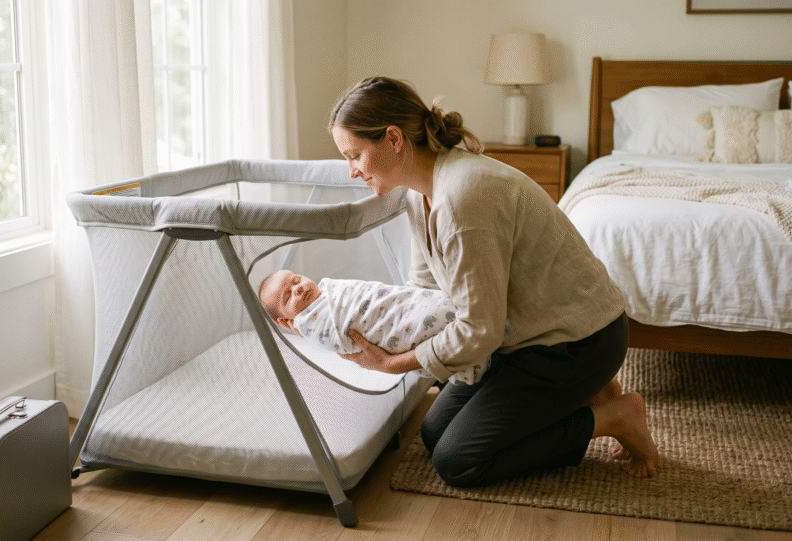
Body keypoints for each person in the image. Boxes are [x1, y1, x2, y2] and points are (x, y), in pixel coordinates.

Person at [326, 76, 658, 485]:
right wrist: (380, 324)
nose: (352, 171)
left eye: (355, 154)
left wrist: (395, 364)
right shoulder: (418, 194)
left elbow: (478, 330)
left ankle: (614, 416)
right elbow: (426, 293)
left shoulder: (464, 198)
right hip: (520, 337)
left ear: (394, 139)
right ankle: (588, 392)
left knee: (459, 461)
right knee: (434, 433)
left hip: (576, 343)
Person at [259, 269, 490, 384]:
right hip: (401, 327)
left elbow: (381, 296)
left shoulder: (331, 290)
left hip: (407, 306)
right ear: (286, 322)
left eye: (296, 280)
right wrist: (305, 331)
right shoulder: (314, 324)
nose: (298, 289)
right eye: (287, 296)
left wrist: (388, 364)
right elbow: (342, 341)